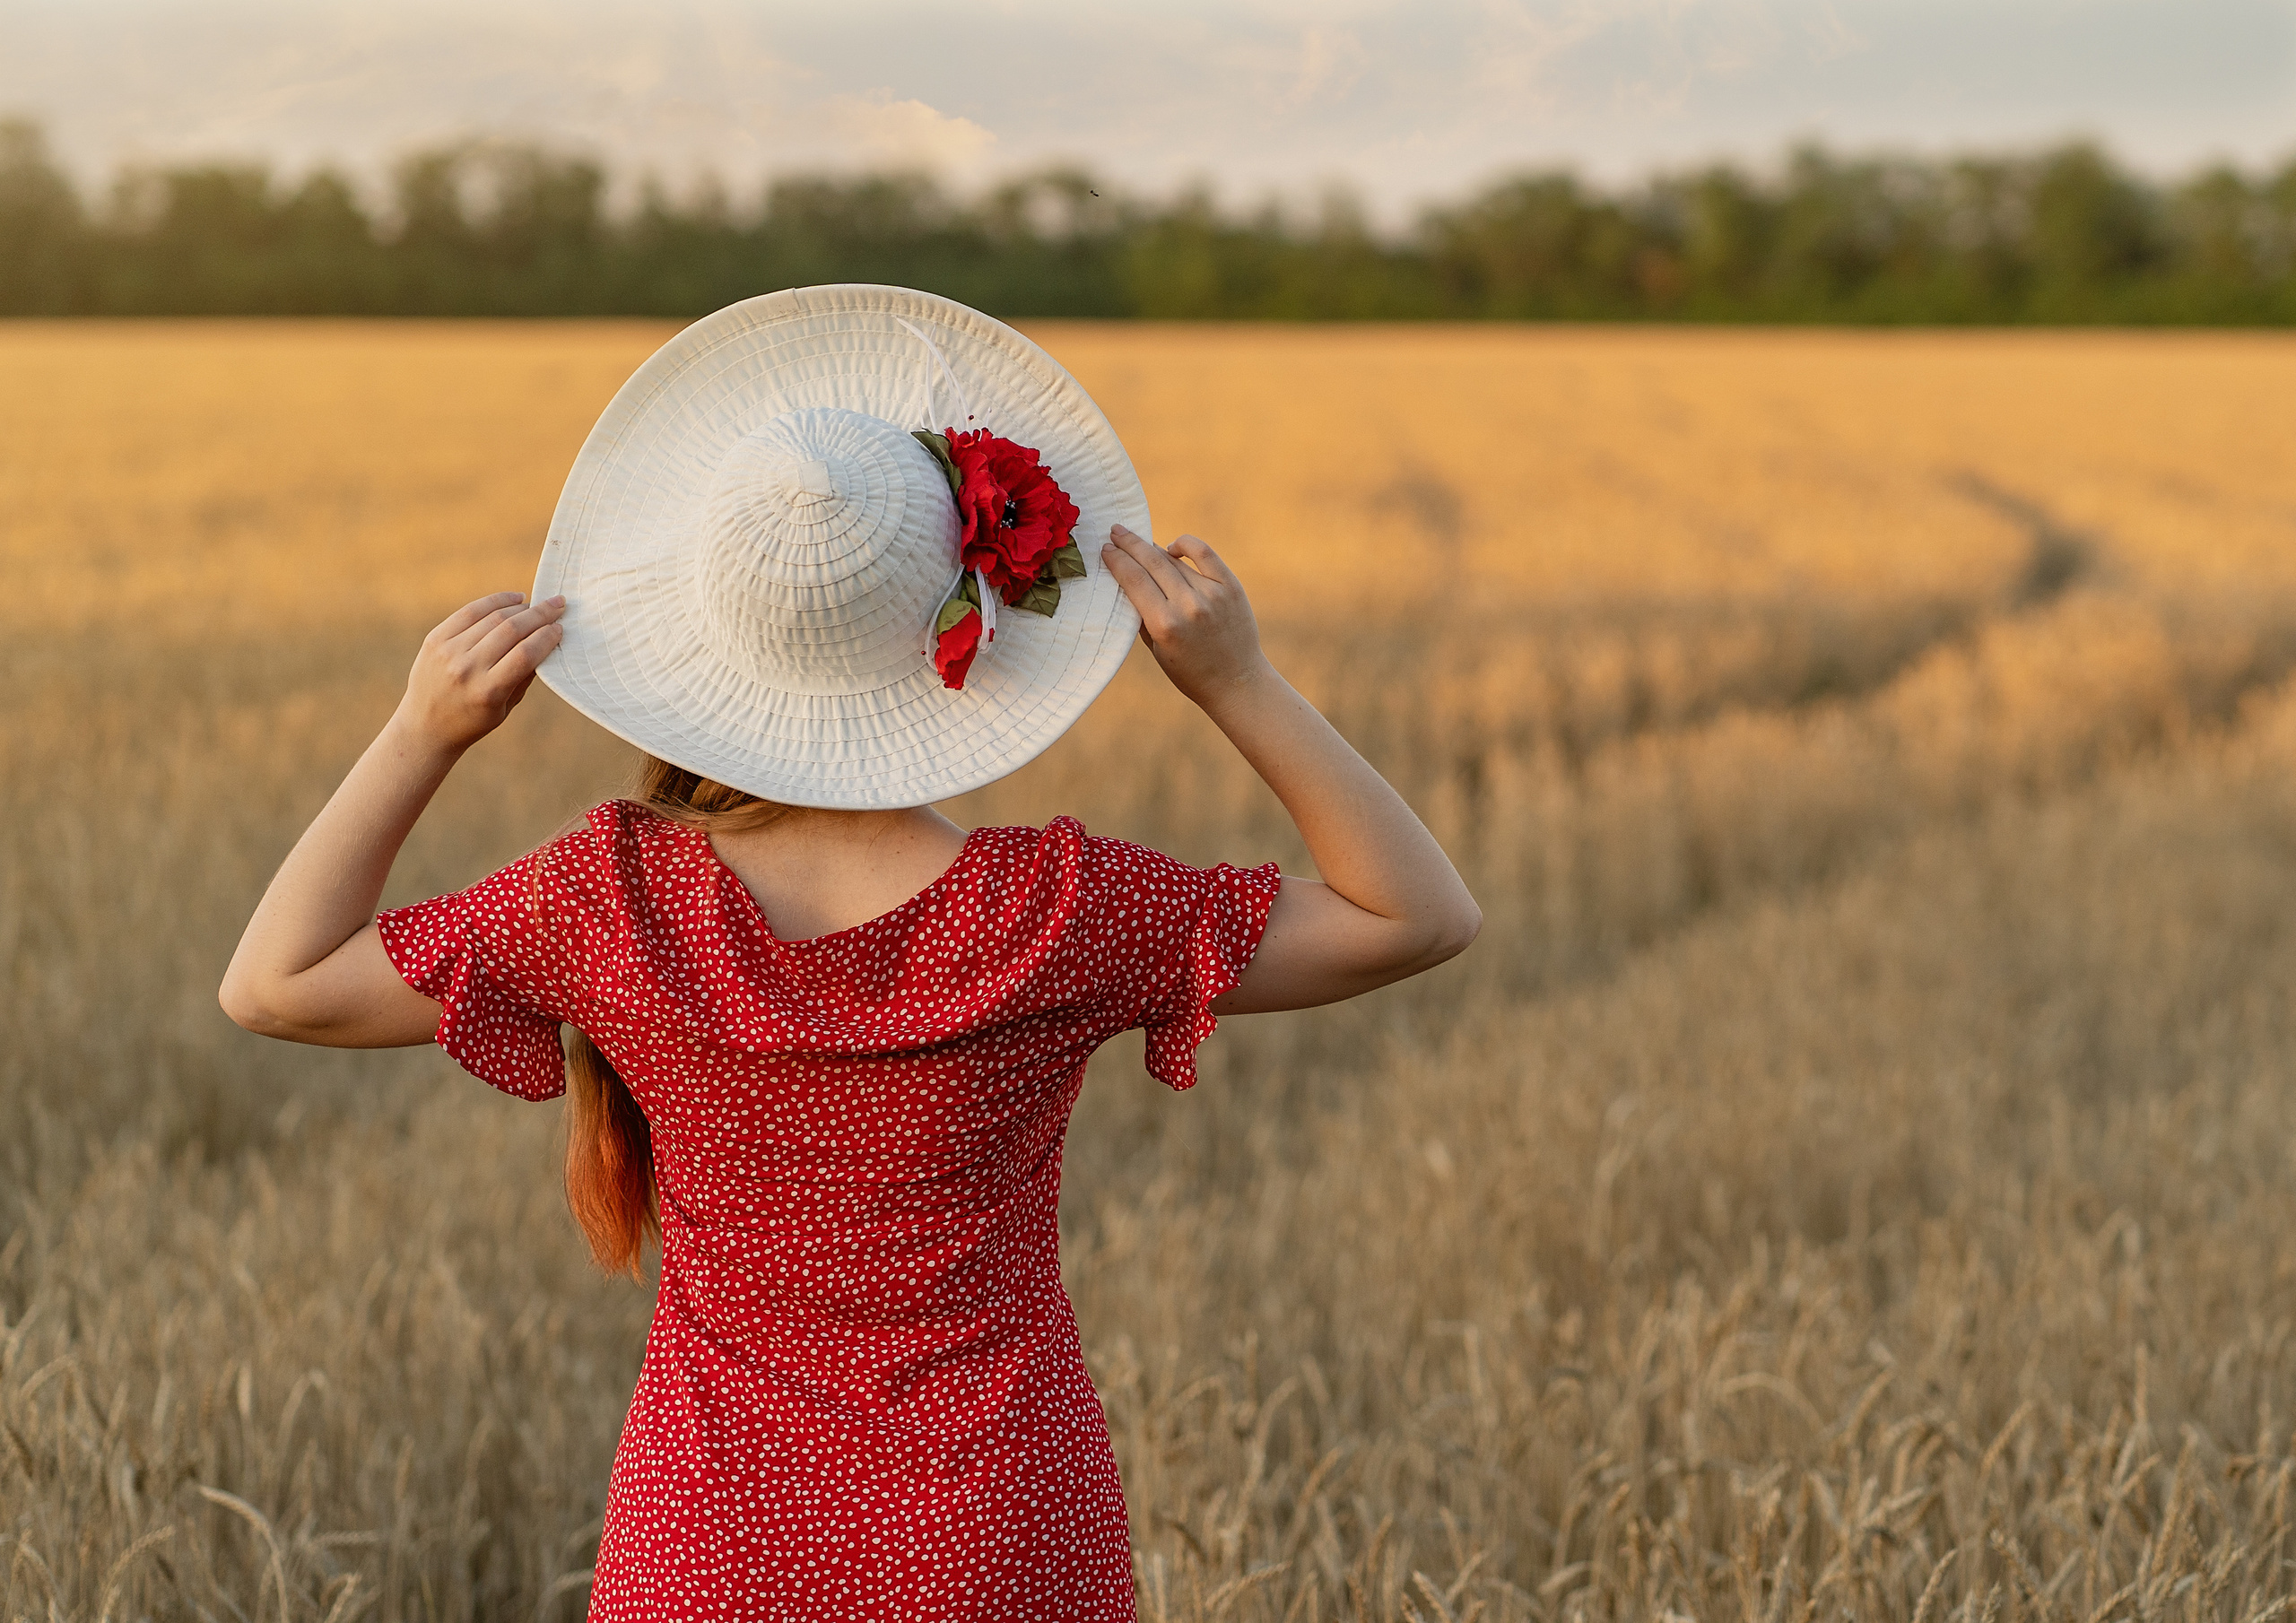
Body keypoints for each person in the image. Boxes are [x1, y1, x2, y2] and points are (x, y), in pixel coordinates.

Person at [220, 287, 1477, 1622]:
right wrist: (1240, 682)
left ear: (710, 630)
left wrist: (424, 730)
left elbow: (274, 981)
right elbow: (1419, 913)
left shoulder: (611, 898)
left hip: (711, 1543)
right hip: (996, 1533)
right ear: (969, 616)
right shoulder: (1054, 909)